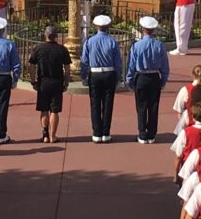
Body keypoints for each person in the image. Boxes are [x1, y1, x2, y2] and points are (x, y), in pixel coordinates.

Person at [126, 16, 170, 143]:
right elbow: (165, 66)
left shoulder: (136, 46)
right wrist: (163, 81)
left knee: (141, 106)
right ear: (154, 30)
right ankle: (151, 134)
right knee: (153, 106)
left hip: (141, 76)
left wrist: (130, 81)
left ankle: (142, 133)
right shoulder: (159, 45)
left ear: (142, 29)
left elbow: (131, 65)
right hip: (155, 77)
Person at [80, 14, 122, 143]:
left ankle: (96, 133)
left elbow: (84, 61)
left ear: (96, 26)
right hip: (109, 73)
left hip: (95, 74)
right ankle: (106, 132)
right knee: (108, 104)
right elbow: (118, 62)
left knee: (95, 104)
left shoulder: (89, 41)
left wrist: (83, 76)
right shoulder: (112, 41)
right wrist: (118, 77)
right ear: (108, 26)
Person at [28, 25, 71, 143]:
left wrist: (33, 81)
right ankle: (53, 135)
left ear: (45, 35)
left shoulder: (38, 48)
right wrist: (66, 82)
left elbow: (31, 65)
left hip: (43, 82)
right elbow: (67, 68)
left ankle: (45, 134)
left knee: (44, 109)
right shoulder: (62, 49)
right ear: (56, 36)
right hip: (57, 82)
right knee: (55, 110)